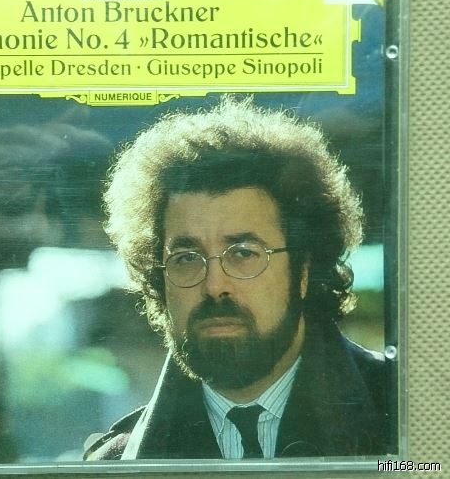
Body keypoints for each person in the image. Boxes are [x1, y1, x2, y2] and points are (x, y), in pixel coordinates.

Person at [84, 97, 387, 460]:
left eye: (243, 254)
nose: (214, 285)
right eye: (186, 259)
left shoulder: (410, 418)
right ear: (158, 280)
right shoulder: (117, 464)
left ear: (303, 271)